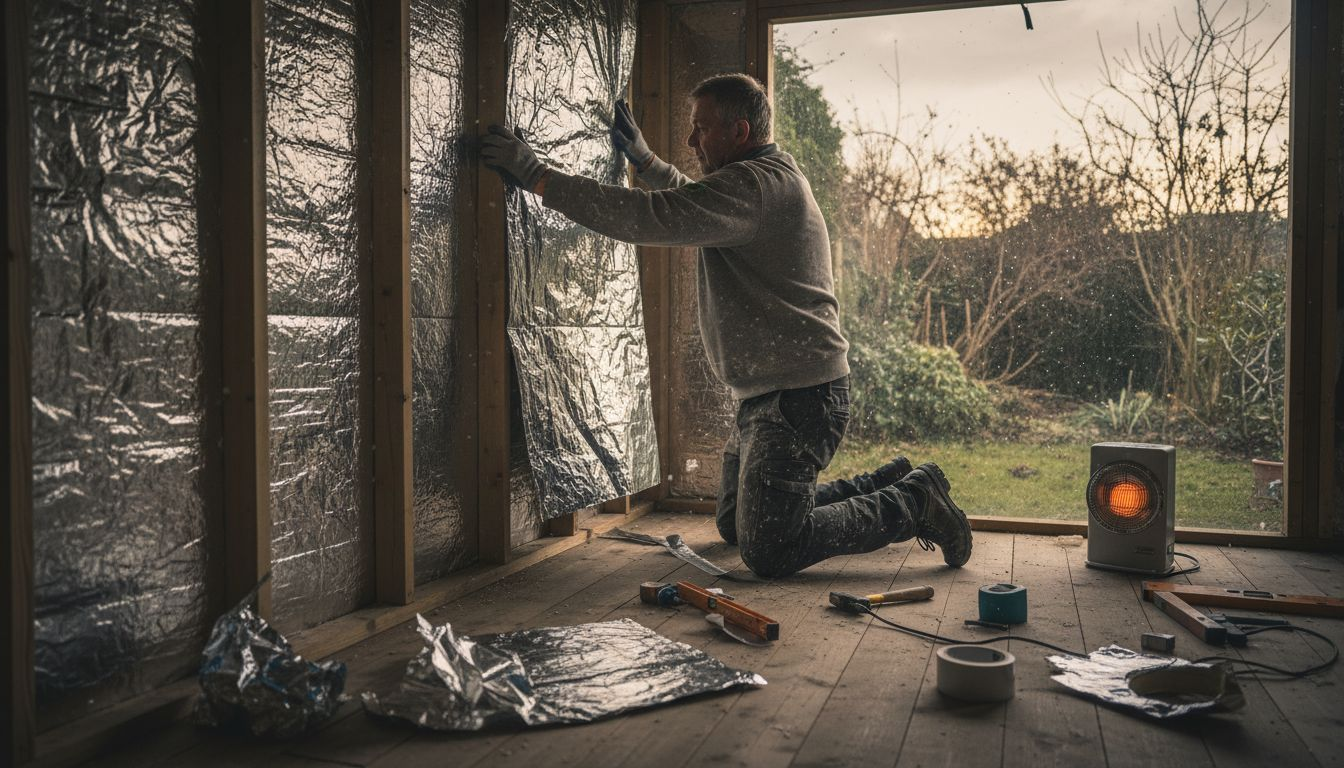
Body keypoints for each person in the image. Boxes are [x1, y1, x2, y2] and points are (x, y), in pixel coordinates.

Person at [480, 73, 972, 578]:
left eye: (701, 129)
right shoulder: (763, 177)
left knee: (771, 549)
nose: (692, 141)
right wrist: (647, 164)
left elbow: (656, 216)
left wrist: (538, 176)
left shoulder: (755, 185)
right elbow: (697, 205)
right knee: (738, 526)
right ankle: (885, 483)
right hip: (777, 395)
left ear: (739, 132)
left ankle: (915, 500)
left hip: (799, 399)